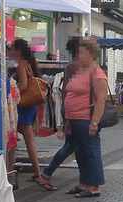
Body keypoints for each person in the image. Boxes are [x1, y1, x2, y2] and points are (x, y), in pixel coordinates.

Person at [60, 37, 108, 198]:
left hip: (86, 118)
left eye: (81, 52)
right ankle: (84, 183)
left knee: (90, 152)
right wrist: (67, 119)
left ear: (91, 54)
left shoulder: (97, 73)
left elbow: (101, 99)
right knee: (80, 153)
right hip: (75, 119)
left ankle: (94, 186)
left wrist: (94, 122)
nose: (78, 55)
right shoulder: (81, 70)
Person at [9, 38, 55, 191]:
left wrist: (11, 90)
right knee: (26, 140)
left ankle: (33, 172)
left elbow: (23, 85)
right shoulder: (31, 61)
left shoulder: (22, 64)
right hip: (31, 105)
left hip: (23, 105)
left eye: (12, 49)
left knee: (21, 139)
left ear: (18, 50)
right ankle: (35, 172)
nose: (10, 52)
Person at [43, 37, 80, 186]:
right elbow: (67, 93)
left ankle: (84, 180)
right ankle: (46, 173)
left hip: (74, 113)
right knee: (71, 147)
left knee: (74, 147)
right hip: (74, 113)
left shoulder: (73, 67)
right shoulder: (74, 67)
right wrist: (62, 122)